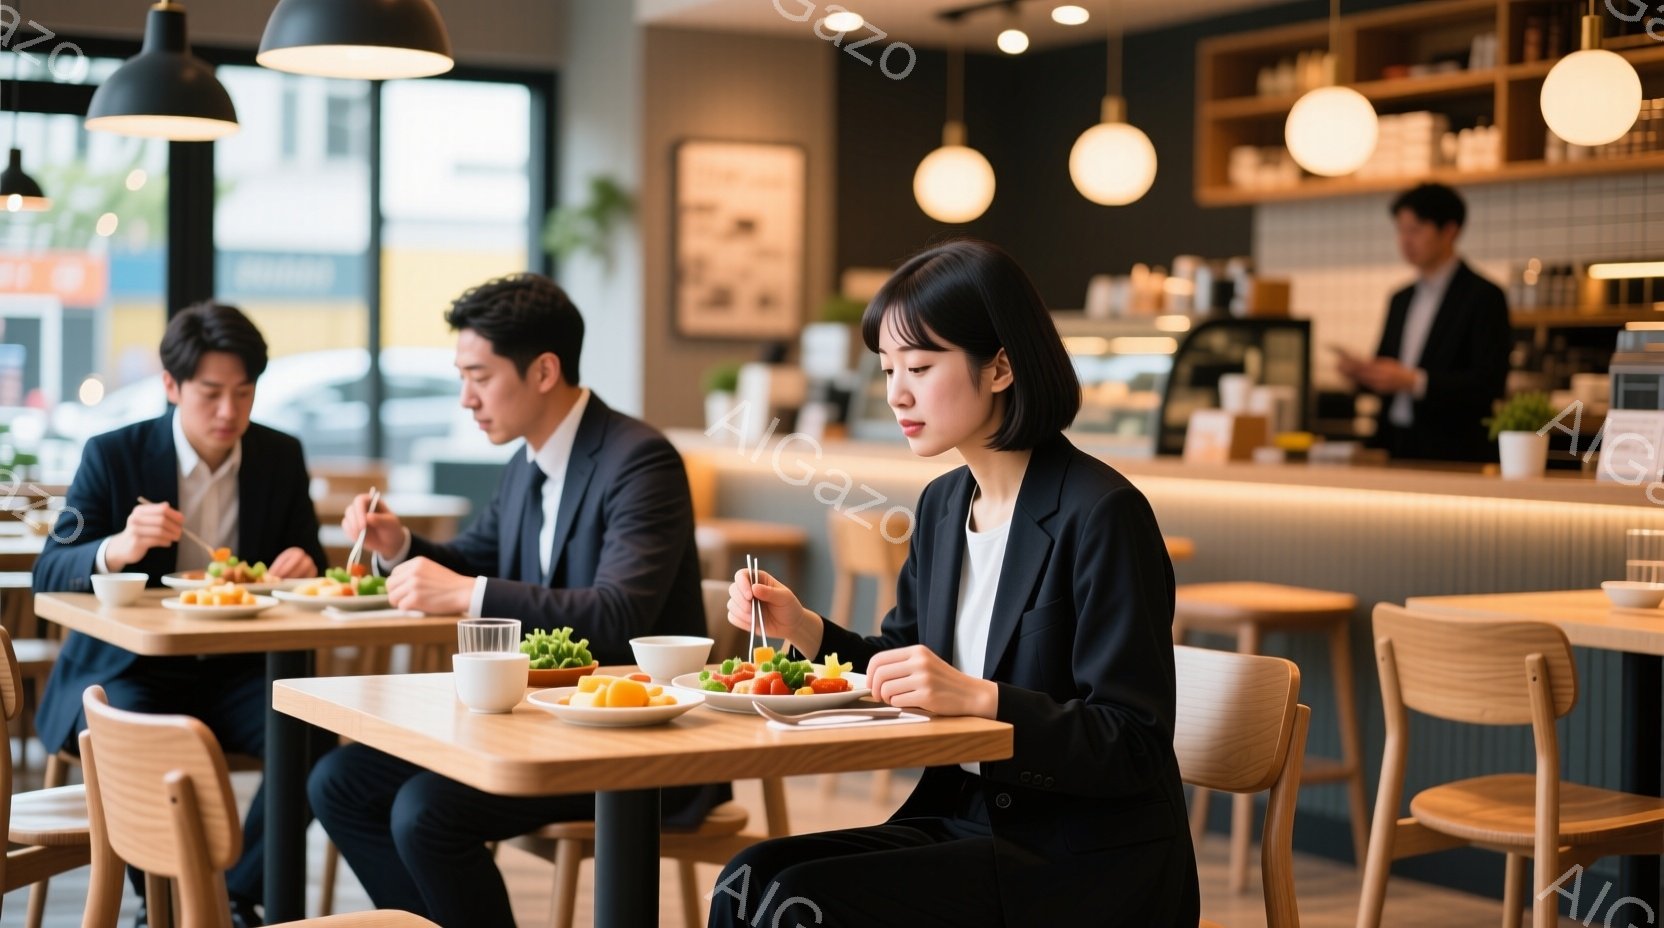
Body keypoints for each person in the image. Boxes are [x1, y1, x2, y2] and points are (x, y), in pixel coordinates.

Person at [709, 239, 1200, 927]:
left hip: (1080, 858)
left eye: (919, 365)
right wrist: (805, 631)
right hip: (966, 819)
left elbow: (1134, 745)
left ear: (1000, 366)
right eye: (886, 369)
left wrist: (983, 699)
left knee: (803, 906)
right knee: (748, 878)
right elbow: (902, 662)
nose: (896, 392)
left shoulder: (1102, 513)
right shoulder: (943, 507)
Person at [307, 272, 726, 928]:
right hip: (541, 722)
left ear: (543, 371)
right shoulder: (528, 462)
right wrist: (402, 543)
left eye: (479, 376)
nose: (465, 399)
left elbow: (618, 614)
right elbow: (477, 557)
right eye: (461, 376)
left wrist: (466, 594)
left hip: (636, 744)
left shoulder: (640, 461)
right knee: (339, 782)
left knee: (424, 812)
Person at [34, 302, 326, 927]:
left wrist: (303, 565)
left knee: (315, 734)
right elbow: (50, 567)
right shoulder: (115, 455)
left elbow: (312, 560)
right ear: (171, 386)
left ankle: (234, 898)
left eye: (244, 394)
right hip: (129, 669)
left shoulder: (278, 456)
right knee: (143, 737)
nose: (229, 413)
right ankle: (163, 902)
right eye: (211, 393)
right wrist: (118, 548)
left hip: (240, 668)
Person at [1336, 182, 1512, 462]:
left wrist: (1413, 381)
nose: (1405, 241)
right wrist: (1362, 373)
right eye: (1401, 230)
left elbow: (1488, 383)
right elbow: (1387, 366)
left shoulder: (1483, 296)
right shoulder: (1400, 298)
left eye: (1416, 230)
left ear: (1450, 231)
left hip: (1454, 448)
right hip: (1394, 441)